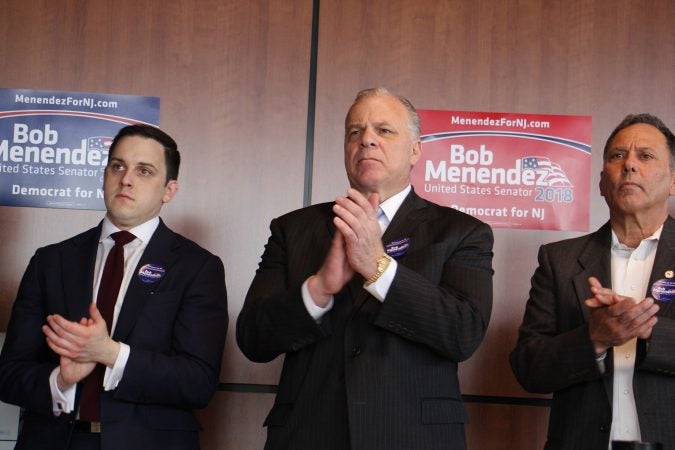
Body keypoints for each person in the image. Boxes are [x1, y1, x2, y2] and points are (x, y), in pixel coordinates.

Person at [236, 87, 494, 450]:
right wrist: (318, 290)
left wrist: (379, 268)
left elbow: (462, 332)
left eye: (384, 131)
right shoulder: (292, 229)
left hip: (415, 437)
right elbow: (253, 339)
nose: (367, 140)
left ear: (416, 150)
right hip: (309, 435)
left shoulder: (461, 232)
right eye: (355, 132)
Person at [0, 124, 228, 450]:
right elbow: (8, 375)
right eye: (117, 166)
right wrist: (60, 380)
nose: (126, 179)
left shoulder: (197, 268)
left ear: (169, 190)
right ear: (104, 174)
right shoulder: (50, 261)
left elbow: (198, 383)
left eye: (145, 171)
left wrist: (110, 354)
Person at [510, 113, 675, 449]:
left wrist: (646, 329)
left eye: (645, 156)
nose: (629, 165)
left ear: (673, 180)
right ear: (602, 182)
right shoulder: (559, 261)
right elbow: (529, 368)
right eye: (617, 156)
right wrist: (594, 338)